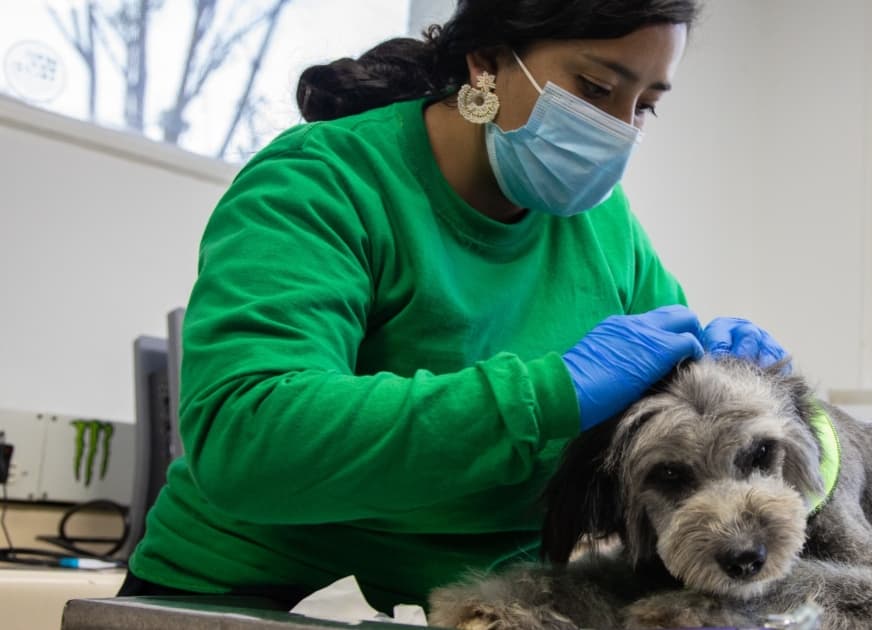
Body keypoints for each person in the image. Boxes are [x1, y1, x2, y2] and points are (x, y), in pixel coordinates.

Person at [119, 0, 789, 612]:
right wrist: (545, 396)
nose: (618, 130)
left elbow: (673, 435)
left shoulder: (603, 226)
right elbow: (248, 437)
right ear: (487, 61)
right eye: (595, 89)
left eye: (644, 104)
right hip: (254, 597)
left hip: (493, 604)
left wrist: (763, 412)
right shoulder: (322, 183)